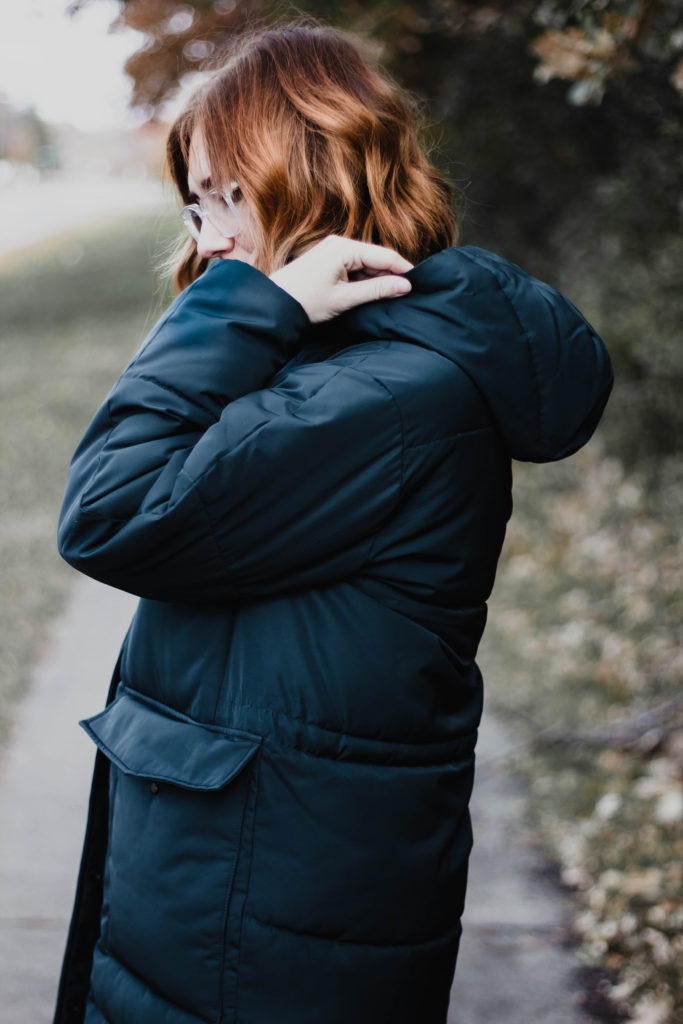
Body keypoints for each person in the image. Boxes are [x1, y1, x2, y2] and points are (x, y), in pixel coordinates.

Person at [52, 20, 613, 1024]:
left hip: (260, 904)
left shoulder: (385, 394)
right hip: (251, 870)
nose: (212, 237)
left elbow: (110, 509)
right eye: (195, 203)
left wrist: (232, 316)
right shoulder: (329, 354)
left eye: (233, 193)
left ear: (320, 172)